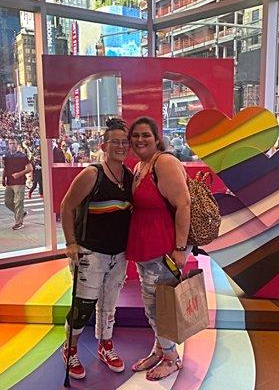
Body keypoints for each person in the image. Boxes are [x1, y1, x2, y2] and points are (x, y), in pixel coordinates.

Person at [60, 118, 133, 380]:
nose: (121, 146)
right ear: (104, 145)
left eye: (125, 142)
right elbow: (67, 207)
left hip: (119, 254)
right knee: (83, 307)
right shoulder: (92, 174)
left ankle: (105, 346)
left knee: (109, 306)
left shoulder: (129, 176)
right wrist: (71, 243)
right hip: (91, 255)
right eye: (115, 142)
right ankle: (69, 349)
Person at [126, 116, 191, 381]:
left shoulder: (164, 162)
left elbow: (184, 204)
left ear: (156, 138)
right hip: (146, 247)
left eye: (146, 135)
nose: (140, 140)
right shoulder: (142, 165)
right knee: (152, 303)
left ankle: (172, 358)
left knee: (157, 308)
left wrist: (179, 248)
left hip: (162, 249)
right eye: (136, 136)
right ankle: (160, 349)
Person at [2, 137, 33, 230]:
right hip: (10, 182)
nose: (12, 145)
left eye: (14, 143)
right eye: (10, 143)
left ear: (17, 145)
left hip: (19, 182)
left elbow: (30, 168)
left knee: (19, 202)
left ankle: (19, 222)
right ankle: (21, 213)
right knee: (8, 202)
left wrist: (19, 174)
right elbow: (5, 168)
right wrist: (3, 178)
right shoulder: (6, 156)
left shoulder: (22, 156)